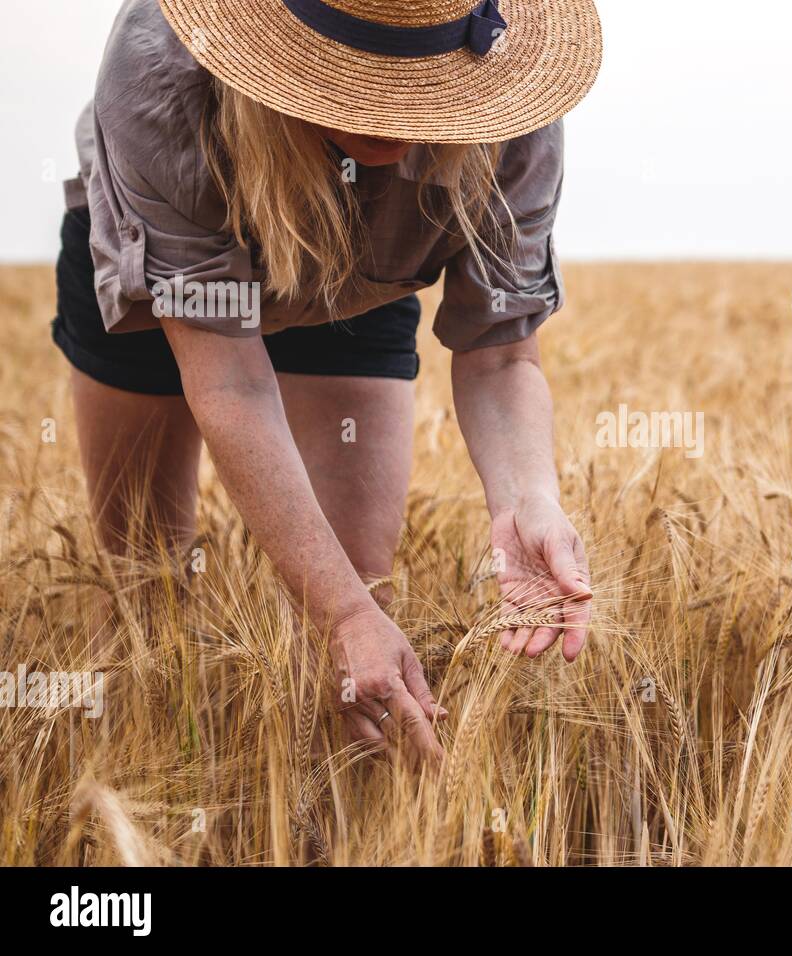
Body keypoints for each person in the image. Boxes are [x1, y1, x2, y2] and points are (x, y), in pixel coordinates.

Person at [51, 0, 603, 761]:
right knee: (151, 603)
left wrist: (528, 498)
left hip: (362, 288)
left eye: (415, 80)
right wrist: (336, 615)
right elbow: (231, 379)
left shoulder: (513, 95)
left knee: (363, 632)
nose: (386, 115)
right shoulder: (163, 69)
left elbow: (501, 353)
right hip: (164, 286)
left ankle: (339, 835)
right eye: (361, 82)